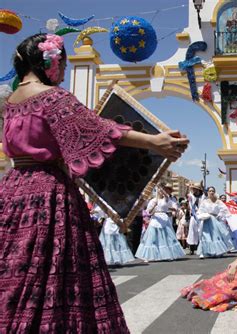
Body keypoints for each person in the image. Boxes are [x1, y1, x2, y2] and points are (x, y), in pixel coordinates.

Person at [0, 33, 189, 332]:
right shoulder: (54, 98)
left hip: (10, 193)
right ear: (52, 61)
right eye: (63, 65)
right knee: (59, 273)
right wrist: (154, 142)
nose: (64, 74)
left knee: (12, 267)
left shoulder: (10, 103)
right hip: (49, 195)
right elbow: (101, 130)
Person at [136, 185, 186, 261]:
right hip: (155, 218)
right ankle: (148, 256)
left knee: (166, 237)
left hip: (164, 217)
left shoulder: (165, 199)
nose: (161, 192)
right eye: (160, 191)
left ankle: (168, 255)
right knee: (152, 237)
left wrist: (161, 188)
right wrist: (154, 205)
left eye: (163, 191)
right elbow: (148, 211)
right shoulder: (153, 200)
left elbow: (167, 198)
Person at [196, 186, 234, 258]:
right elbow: (200, 210)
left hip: (215, 220)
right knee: (206, 236)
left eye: (213, 191)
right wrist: (203, 215)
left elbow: (224, 210)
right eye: (210, 191)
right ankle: (204, 252)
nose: (211, 192)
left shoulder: (218, 201)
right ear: (207, 192)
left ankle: (217, 251)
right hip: (206, 220)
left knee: (215, 235)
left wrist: (218, 215)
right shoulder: (204, 202)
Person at [186, 182, 204, 255]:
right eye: (194, 189)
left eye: (196, 189)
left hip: (201, 216)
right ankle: (192, 248)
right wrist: (188, 188)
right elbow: (187, 195)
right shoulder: (191, 196)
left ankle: (201, 248)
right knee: (192, 232)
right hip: (193, 216)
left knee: (201, 231)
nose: (195, 190)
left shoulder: (203, 197)